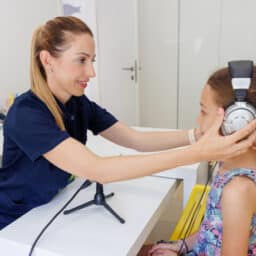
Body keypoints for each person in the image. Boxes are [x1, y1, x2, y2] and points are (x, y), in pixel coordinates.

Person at [0, 16, 256, 230]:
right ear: (47, 60)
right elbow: (97, 169)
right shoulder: (27, 114)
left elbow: (136, 139)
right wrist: (196, 153)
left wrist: (196, 136)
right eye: (81, 60)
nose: (91, 72)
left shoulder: (78, 103)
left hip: (51, 203)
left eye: (93, 60)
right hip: (15, 218)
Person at [148, 66, 256, 256]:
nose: (198, 119)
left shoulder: (238, 190)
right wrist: (182, 245)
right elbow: (213, 227)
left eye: (204, 111)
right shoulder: (228, 166)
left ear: (237, 123)